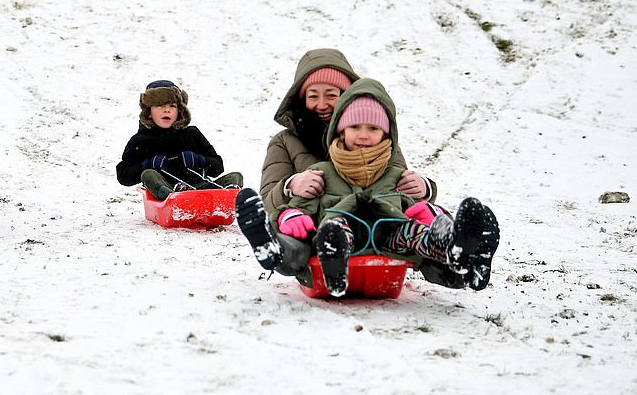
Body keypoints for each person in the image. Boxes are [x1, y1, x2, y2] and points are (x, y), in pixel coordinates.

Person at [236, 78, 500, 294]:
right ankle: (318, 258)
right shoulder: (319, 169)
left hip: (391, 235)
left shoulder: (392, 169)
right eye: (355, 127)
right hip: (339, 229)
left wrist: (432, 210)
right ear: (340, 131)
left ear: (386, 135)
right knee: (333, 231)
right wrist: (289, 209)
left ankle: (458, 251)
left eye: (373, 128)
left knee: (417, 233)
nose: (363, 134)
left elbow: (411, 200)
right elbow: (297, 203)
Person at [260, 48, 437, 215]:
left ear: (346, 96)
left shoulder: (374, 138)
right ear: (302, 99)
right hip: (312, 234)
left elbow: (401, 192)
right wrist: (289, 186)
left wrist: (425, 188)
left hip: (377, 232)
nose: (322, 105)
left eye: (331, 95)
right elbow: (268, 203)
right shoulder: (284, 142)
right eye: (313, 96)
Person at [116, 80, 243, 200]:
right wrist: (146, 165)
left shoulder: (192, 134)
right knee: (148, 174)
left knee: (236, 176)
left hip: (201, 190)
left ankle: (227, 198)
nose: (167, 110)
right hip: (167, 192)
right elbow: (123, 176)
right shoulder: (140, 140)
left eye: (172, 106)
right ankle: (174, 198)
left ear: (180, 111)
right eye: (159, 105)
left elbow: (218, 166)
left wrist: (200, 160)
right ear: (148, 112)